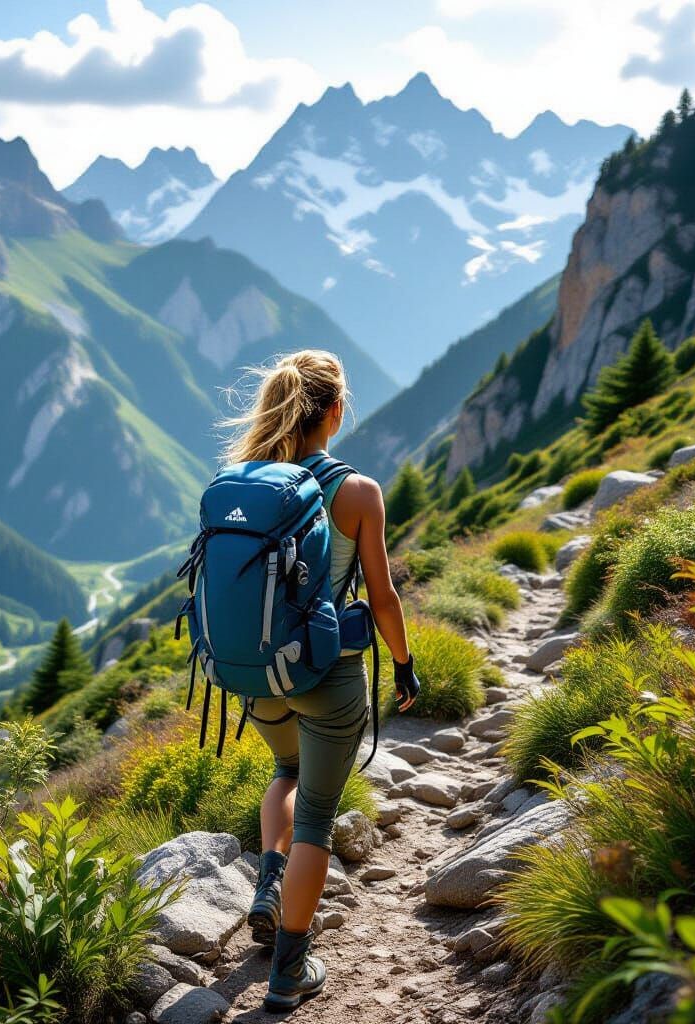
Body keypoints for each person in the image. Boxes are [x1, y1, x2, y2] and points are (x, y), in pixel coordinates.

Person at [220, 349, 422, 1012]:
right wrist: (402, 661)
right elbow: (383, 597)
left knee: (285, 773)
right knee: (317, 817)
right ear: (333, 412)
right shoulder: (357, 493)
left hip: (259, 672)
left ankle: (267, 887)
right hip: (327, 675)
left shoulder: (250, 481)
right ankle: (289, 971)